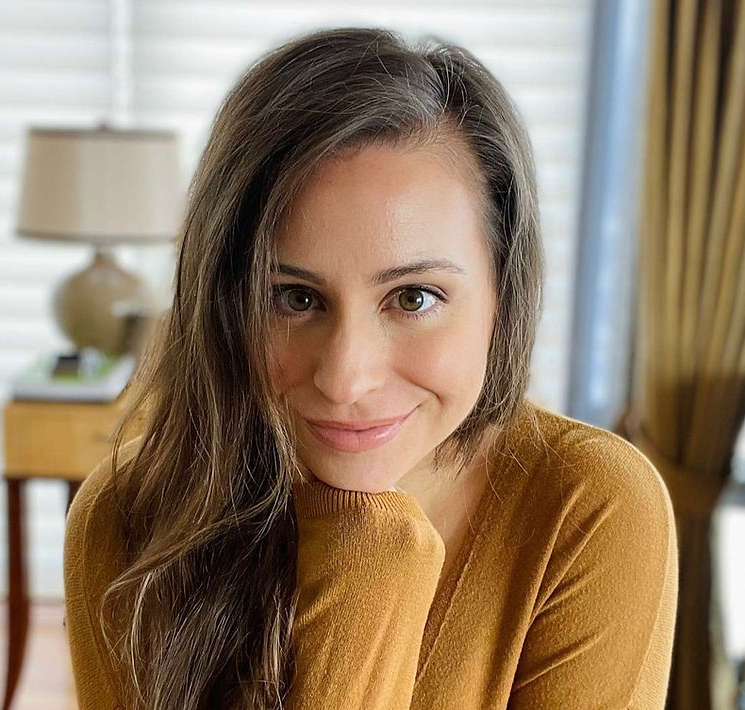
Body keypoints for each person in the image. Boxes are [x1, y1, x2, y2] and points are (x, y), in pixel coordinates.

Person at [63, 26, 678, 710]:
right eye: (294, 297)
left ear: (505, 293)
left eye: (413, 298)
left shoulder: (590, 506)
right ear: (225, 299)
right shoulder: (129, 518)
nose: (345, 379)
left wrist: (370, 566)